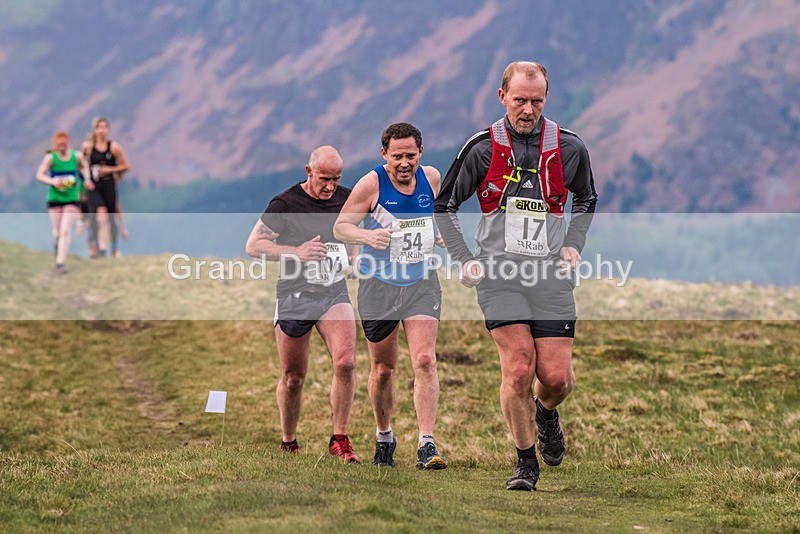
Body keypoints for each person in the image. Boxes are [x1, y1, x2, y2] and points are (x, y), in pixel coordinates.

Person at [434, 62, 598, 490]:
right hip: (499, 274)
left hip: (550, 276)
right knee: (519, 368)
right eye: (520, 99)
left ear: (546, 99)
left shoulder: (568, 148)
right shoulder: (482, 148)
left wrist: (573, 245)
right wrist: (463, 258)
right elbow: (444, 206)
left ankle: (545, 414)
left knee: (556, 379)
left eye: (537, 101)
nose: (528, 109)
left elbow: (587, 198)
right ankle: (526, 463)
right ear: (502, 95)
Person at [333, 122, 447, 470]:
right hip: (379, 286)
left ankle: (426, 444)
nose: (404, 162)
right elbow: (341, 226)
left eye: (410, 155)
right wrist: (369, 238)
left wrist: (439, 234)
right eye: (396, 156)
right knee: (383, 369)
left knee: (425, 359)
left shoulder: (432, 178)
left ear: (420, 154)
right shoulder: (372, 184)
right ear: (384, 155)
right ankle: (384, 437)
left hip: (420, 282)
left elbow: (433, 216)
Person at [245, 146, 360, 463]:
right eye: (324, 179)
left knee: (346, 362)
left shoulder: (346, 199)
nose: (330, 187)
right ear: (309, 173)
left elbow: (353, 234)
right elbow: (254, 245)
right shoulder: (285, 203)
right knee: (293, 377)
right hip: (295, 294)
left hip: (333, 292)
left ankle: (340, 439)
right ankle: (288, 440)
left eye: (336, 179)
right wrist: (296, 252)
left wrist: (355, 258)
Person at [35, 131, 93, 274]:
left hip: (71, 198)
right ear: (55, 144)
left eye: (64, 142)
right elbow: (39, 175)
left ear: (68, 143)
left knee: (65, 230)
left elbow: (85, 166)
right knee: (57, 231)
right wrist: (52, 181)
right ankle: (57, 243)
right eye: (58, 143)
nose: (62, 145)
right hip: (55, 198)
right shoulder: (50, 158)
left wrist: (87, 179)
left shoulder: (76, 156)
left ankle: (60, 262)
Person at [81, 117, 129, 258]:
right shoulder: (87, 147)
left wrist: (109, 171)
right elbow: (80, 164)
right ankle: (99, 247)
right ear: (95, 129)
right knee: (99, 214)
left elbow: (125, 166)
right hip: (93, 185)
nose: (102, 130)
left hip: (108, 184)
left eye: (105, 127)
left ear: (108, 129)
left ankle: (113, 247)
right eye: (99, 127)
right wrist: (85, 179)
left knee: (110, 217)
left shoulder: (113, 147)